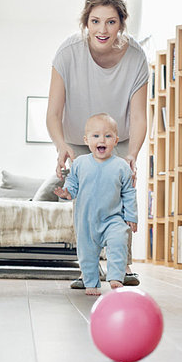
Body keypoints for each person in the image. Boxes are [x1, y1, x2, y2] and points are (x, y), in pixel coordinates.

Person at [46, 0, 148, 288]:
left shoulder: (136, 57)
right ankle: (88, 271)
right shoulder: (68, 53)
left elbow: (140, 115)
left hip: (120, 136)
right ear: (86, 23)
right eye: (95, 21)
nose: (102, 30)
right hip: (78, 137)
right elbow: (53, 112)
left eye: (111, 22)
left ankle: (123, 267)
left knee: (121, 194)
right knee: (85, 202)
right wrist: (61, 146)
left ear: (122, 24)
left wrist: (133, 155)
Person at [54, 113, 137, 296]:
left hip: (113, 218)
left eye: (108, 136)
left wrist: (131, 216)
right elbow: (72, 185)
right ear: (87, 140)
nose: (102, 140)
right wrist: (66, 192)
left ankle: (116, 276)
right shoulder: (79, 164)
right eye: (96, 136)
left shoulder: (121, 166)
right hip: (86, 221)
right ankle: (91, 282)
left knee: (119, 241)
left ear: (115, 141)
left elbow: (129, 192)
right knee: (87, 254)